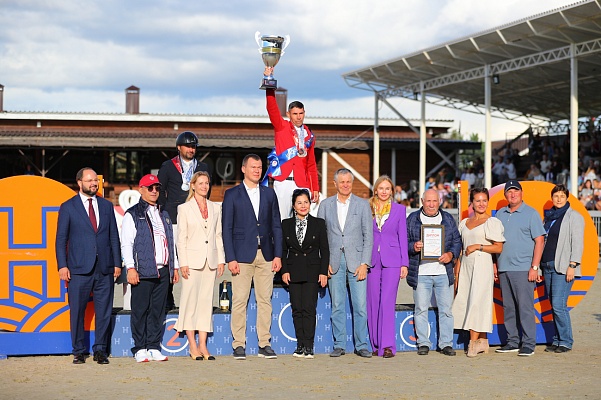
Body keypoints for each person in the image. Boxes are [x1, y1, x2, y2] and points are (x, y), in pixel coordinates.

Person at [55, 167, 121, 365]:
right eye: (89, 180)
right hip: (78, 269)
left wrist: (117, 263)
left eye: (95, 180)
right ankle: (78, 350)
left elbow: (113, 237)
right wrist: (62, 266)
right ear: (79, 183)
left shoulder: (107, 206)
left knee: (104, 312)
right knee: (77, 311)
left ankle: (100, 350)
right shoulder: (68, 207)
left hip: (104, 268)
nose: (94, 183)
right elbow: (61, 239)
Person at [222, 154, 283, 360]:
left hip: (266, 254)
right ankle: (239, 344)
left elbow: (276, 225)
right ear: (243, 169)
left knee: (265, 300)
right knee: (239, 300)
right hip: (241, 256)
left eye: (259, 167)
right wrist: (230, 257)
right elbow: (226, 227)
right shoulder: (232, 194)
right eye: (253, 167)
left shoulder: (269, 194)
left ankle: (264, 343)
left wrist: (278, 254)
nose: (257, 170)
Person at [122, 174, 180, 363]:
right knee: (140, 310)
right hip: (143, 269)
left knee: (157, 310)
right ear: (141, 190)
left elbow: (170, 242)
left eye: (157, 188)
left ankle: (153, 346)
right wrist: (130, 267)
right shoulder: (132, 213)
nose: (154, 191)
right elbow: (126, 244)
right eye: (150, 188)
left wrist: (175, 267)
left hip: (163, 270)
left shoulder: (164, 213)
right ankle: (139, 348)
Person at [317, 168, 373, 358]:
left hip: (357, 262)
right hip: (334, 261)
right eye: (342, 182)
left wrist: (365, 263)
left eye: (348, 181)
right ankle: (339, 344)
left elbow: (369, 236)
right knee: (337, 305)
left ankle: (362, 345)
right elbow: (320, 237)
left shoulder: (363, 205)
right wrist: (323, 262)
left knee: (360, 306)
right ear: (335, 184)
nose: (346, 185)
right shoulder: (325, 205)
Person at [174, 171, 225, 360]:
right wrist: (183, 263)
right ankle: (192, 346)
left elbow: (217, 236)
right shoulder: (184, 208)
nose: (204, 186)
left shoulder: (215, 208)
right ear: (193, 185)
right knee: (190, 303)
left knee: (205, 303)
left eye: (207, 183)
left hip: (210, 261)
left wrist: (221, 259)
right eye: (201, 183)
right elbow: (181, 239)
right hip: (192, 263)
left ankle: (203, 345)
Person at [157, 131, 211, 311]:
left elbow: (206, 192)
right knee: (172, 261)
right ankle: (168, 296)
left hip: (195, 219)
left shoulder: (203, 166)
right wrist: (164, 213)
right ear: (179, 147)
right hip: (173, 219)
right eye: (188, 146)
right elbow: (160, 191)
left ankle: (195, 298)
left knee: (193, 259)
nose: (191, 149)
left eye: (194, 146)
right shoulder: (167, 166)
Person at [406, 189, 462, 356]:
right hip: (421, 272)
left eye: (434, 201)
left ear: (440, 201)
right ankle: (423, 343)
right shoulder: (412, 219)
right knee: (421, 308)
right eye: (428, 201)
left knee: (446, 309)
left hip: (443, 272)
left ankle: (446, 343)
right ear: (422, 201)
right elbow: (404, 242)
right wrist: (413, 246)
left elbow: (457, 241)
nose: (431, 205)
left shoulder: (448, 219)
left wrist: (451, 254)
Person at [495, 180, 545, 357]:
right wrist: (495, 263)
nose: (512, 194)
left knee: (524, 307)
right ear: (505, 195)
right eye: (509, 192)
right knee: (508, 307)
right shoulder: (500, 214)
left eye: (515, 191)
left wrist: (534, 267)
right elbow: (496, 242)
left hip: (524, 268)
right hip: (503, 268)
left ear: (522, 193)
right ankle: (513, 341)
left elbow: (539, 241)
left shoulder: (531, 214)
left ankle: (529, 343)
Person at [452, 188, 505, 357]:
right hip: (466, 265)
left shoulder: (492, 222)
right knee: (466, 299)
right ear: (472, 203)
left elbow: (499, 247)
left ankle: (473, 342)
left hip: (482, 264)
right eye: (478, 201)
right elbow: (460, 250)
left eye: (484, 200)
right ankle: (483, 341)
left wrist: (478, 246)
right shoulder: (464, 223)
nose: (481, 204)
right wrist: (457, 272)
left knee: (477, 301)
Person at [263, 66, 319, 219]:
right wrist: (269, 83)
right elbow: (271, 108)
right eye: (295, 114)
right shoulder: (281, 127)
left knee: (301, 221)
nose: (298, 117)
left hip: (302, 183)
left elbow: (311, 164)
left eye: (301, 113)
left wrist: (315, 188)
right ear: (288, 114)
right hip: (283, 181)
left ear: (304, 113)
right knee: (281, 220)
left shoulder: (309, 136)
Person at [281, 188, 329, 359]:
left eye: (306, 202)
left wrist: (323, 272)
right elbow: (282, 250)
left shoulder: (319, 223)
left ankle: (309, 345)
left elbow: (325, 250)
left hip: (312, 271)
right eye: (299, 203)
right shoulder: (285, 224)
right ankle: (299, 345)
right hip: (293, 271)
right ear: (294, 205)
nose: (303, 206)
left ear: (310, 204)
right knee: (297, 309)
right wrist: (284, 270)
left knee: (309, 309)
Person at [367, 175, 409, 358]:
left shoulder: (400, 210)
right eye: (381, 188)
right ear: (376, 190)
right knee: (373, 302)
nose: (384, 192)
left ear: (392, 191)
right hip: (371, 260)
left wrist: (404, 263)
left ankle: (388, 346)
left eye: (387, 189)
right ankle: (375, 344)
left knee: (387, 302)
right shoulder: (367, 208)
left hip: (393, 260)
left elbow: (403, 237)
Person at [541, 184, 584, 353]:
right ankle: (558, 339)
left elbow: (578, 243)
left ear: (567, 198)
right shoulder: (549, 217)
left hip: (563, 267)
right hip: (547, 266)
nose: (559, 199)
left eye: (562, 196)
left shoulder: (574, 217)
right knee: (553, 305)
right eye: (556, 196)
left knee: (559, 305)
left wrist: (572, 265)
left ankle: (566, 341)